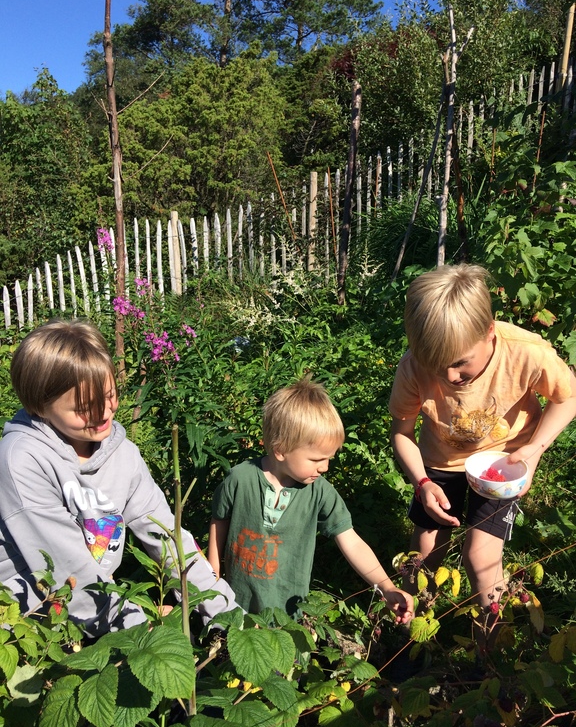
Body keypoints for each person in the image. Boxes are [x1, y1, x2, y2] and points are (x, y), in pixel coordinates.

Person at [0, 319, 238, 637]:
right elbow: (67, 568)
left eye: (110, 396)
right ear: (40, 405)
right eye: (84, 408)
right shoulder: (22, 459)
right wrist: (138, 632)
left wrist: (224, 611)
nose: (104, 414)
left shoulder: (123, 454)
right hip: (27, 624)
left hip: (98, 612)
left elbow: (166, 535)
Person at [389, 263, 576, 620]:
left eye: (460, 363)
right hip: (439, 463)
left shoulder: (524, 352)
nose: (448, 376)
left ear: (489, 333)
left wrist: (533, 452)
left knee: (480, 558)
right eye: (436, 365)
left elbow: (567, 397)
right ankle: (407, 633)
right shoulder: (413, 367)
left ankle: (488, 650)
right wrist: (422, 483)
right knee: (424, 552)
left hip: (502, 465)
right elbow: (401, 433)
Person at [208, 377, 413, 623]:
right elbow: (219, 523)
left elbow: (352, 542)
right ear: (281, 449)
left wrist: (386, 587)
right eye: (317, 460)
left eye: (329, 458)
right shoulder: (240, 479)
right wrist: (213, 582)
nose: (325, 467)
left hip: (288, 617)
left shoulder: (319, 492)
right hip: (235, 605)